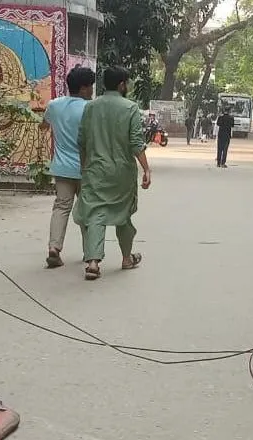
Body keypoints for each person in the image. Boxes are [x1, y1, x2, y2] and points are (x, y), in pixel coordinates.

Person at [74, 66, 152, 281]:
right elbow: (136, 143)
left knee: (95, 215)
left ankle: (92, 262)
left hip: (95, 170)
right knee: (123, 214)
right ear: (121, 85)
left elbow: (82, 141)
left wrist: (84, 167)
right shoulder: (130, 108)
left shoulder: (90, 107)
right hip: (121, 172)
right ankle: (126, 258)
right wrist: (146, 169)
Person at [39, 66, 97, 269]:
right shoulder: (90, 108)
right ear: (82, 88)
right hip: (86, 168)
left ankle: (54, 248)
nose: (91, 90)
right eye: (90, 87)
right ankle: (90, 252)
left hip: (62, 167)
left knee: (61, 207)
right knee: (88, 210)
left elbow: (43, 126)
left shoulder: (54, 105)